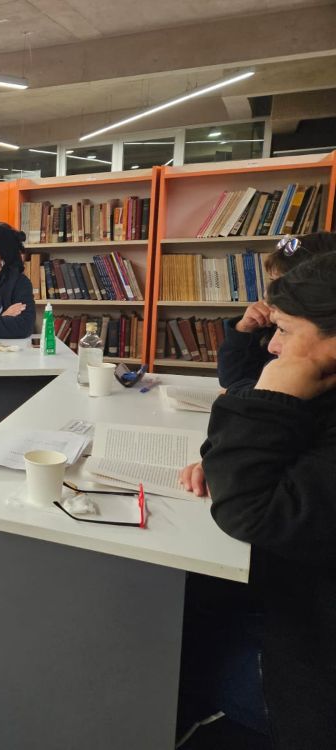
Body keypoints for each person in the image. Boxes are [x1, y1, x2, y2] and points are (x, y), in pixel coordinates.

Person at [200, 252, 336, 748]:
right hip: (289, 603)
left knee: (174, 657)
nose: (272, 346)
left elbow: (249, 511)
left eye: (286, 331)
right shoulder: (322, 387)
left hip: (310, 661)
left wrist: (269, 400)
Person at [180, 231, 336, 496]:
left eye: (281, 283)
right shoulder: (283, 329)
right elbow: (231, 377)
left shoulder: (311, 350)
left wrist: (242, 398)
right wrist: (243, 330)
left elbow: (256, 510)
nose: (269, 296)